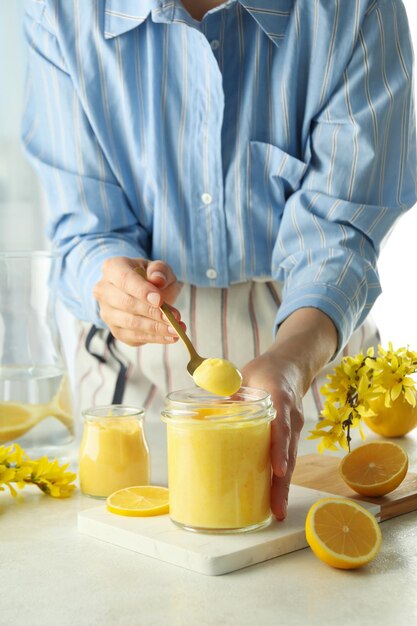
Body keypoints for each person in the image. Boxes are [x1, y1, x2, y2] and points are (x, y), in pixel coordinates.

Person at [22, 0, 417, 520]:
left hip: (311, 351)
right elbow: (86, 224)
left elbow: (339, 235)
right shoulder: (60, 12)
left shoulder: (355, 9)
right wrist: (113, 276)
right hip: (129, 374)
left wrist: (291, 362)